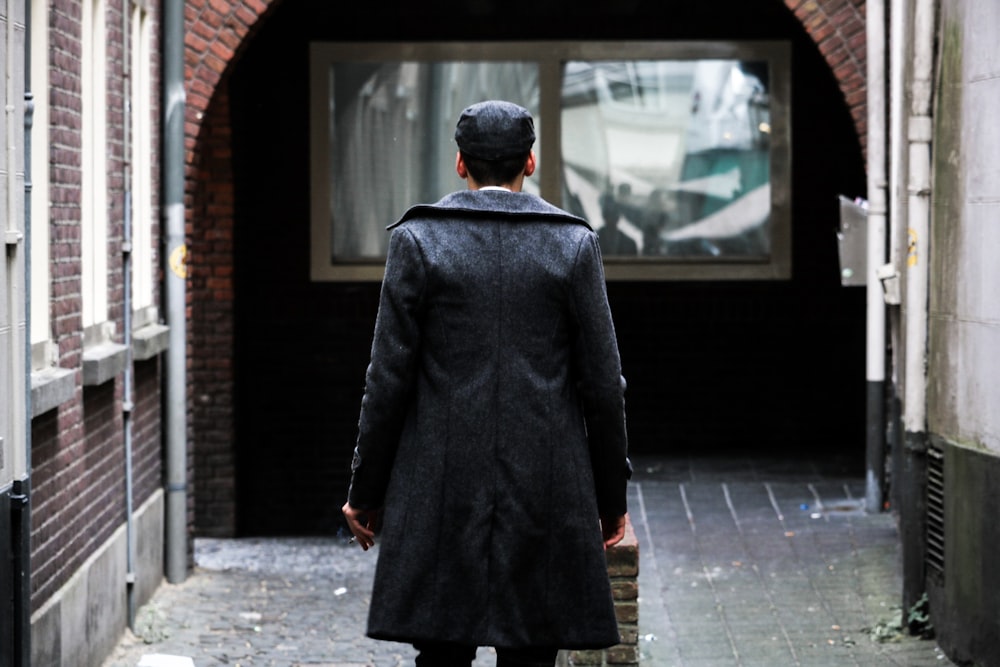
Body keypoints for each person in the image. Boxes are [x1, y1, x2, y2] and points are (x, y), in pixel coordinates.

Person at [342, 100, 631, 667]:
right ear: (530, 161)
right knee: (532, 656)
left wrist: (365, 493)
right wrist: (610, 499)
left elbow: (387, 381)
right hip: (546, 488)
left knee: (441, 654)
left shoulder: (418, 240)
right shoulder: (572, 244)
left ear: (459, 163)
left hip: (440, 488)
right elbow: (603, 384)